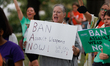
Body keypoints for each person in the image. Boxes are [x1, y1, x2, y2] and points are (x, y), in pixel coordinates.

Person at [77, 0, 109, 66]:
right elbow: (85, 12)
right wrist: (82, 6)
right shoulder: (95, 21)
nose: (103, 11)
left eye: (105, 10)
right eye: (102, 9)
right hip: (92, 56)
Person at [13, 0, 39, 66]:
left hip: (36, 45)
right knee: (35, 62)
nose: (29, 12)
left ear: (34, 13)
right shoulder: (24, 21)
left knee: (31, 62)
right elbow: (18, 10)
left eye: (31, 10)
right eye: (28, 11)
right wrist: (15, 0)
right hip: (27, 45)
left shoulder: (38, 24)